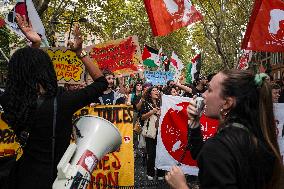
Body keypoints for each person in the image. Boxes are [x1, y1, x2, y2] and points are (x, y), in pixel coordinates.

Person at [1, 14, 108, 189]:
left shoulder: (10, 100)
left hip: (21, 178)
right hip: (54, 180)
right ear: (46, 68)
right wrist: (80, 53)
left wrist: (34, 45)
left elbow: (26, 68)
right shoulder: (64, 101)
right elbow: (101, 82)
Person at [166, 69, 282, 189]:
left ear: (227, 103)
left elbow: (213, 154)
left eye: (210, 90)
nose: (204, 94)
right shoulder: (258, 134)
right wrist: (194, 124)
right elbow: (202, 154)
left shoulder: (218, 146)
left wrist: (181, 186)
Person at [140, 86, 164, 180]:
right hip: (150, 131)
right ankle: (150, 173)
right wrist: (152, 112)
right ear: (150, 93)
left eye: (157, 90)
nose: (156, 91)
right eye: (154, 90)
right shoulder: (146, 104)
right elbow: (142, 117)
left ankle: (160, 173)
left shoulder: (162, 103)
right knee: (152, 153)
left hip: (161, 131)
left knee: (161, 153)